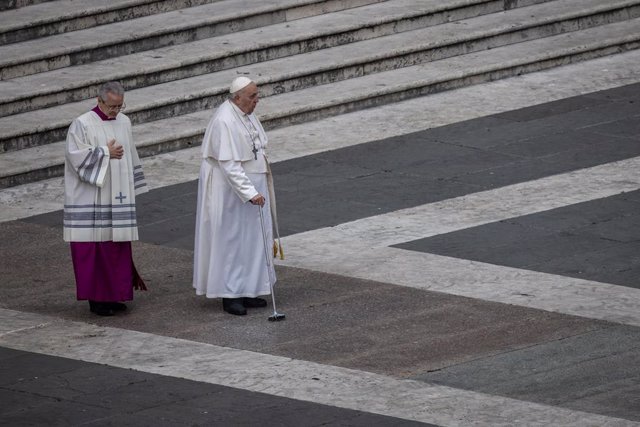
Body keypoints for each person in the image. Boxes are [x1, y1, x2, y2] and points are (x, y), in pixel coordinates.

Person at [193, 76, 281, 315]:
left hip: (252, 184)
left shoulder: (246, 113)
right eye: (252, 96)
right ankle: (230, 294)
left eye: (257, 95)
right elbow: (229, 164)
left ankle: (249, 289)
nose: (257, 100)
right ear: (237, 97)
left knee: (254, 239)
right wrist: (250, 192)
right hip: (229, 190)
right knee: (231, 241)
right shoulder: (224, 120)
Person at [63, 81, 148, 316]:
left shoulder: (124, 121)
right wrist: (104, 153)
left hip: (117, 195)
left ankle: (114, 295)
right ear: (99, 101)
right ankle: (97, 300)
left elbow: (130, 153)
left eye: (119, 106)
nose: (115, 111)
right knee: (94, 250)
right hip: (91, 199)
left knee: (116, 247)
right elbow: (75, 157)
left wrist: (132, 184)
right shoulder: (82, 124)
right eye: (111, 106)